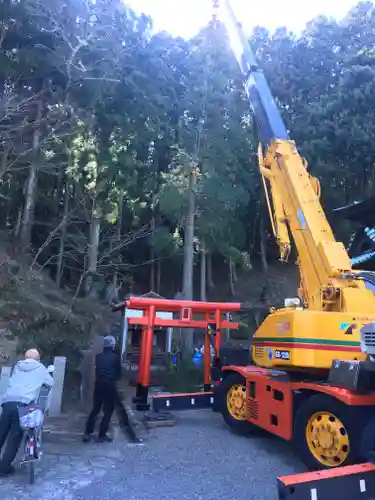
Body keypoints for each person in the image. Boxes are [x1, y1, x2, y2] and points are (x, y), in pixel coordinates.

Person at [0, 348, 54, 477]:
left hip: (7, 402)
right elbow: (50, 383)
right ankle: (3, 467)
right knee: (15, 436)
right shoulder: (40, 368)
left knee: (1, 432)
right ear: (38, 358)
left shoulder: (17, 366)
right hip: (23, 404)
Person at [83, 335, 121, 443]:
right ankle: (102, 434)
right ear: (113, 345)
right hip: (110, 385)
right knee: (108, 411)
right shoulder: (116, 357)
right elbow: (118, 374)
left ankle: (87, 432)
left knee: (95, 409)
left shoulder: (98, 357)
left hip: (99, 384)